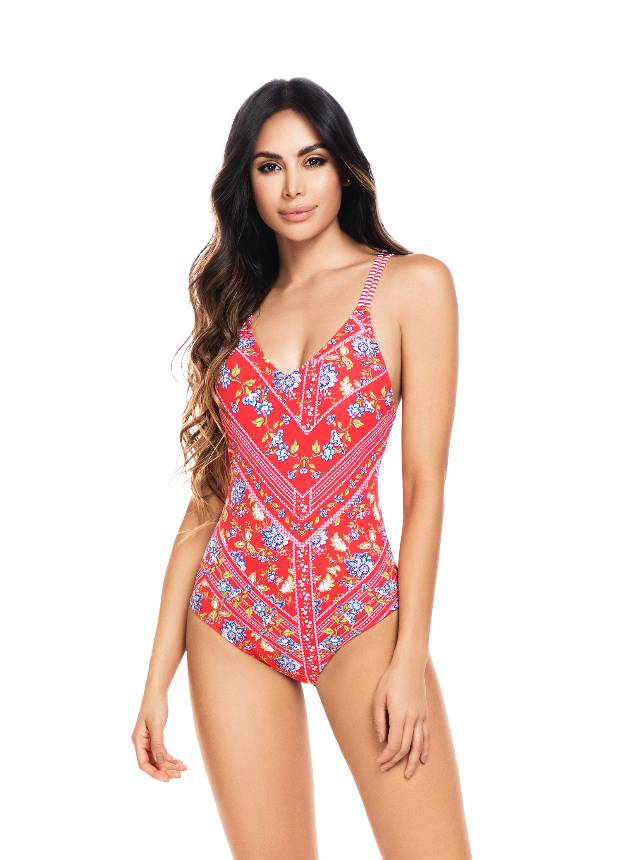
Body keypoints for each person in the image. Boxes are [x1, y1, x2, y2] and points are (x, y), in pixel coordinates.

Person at [132, 77, 472, 859]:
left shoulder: (413, 286)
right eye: (269, 166)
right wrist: (156, 676)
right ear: (246, 182)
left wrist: (409, 660)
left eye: (312, 160)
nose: (293, 187)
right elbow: (209, 503)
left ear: (344, 169)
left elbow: (424, 486)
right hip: (232, 617)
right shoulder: (237, 308)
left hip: (361, 611)